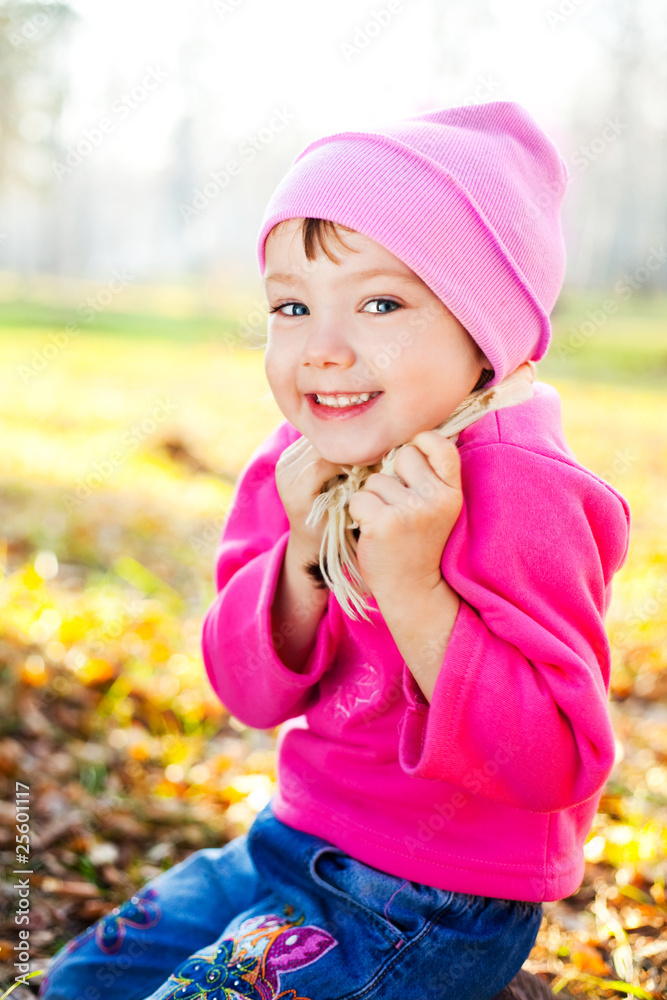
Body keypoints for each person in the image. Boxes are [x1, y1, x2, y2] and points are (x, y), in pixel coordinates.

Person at [39, 101, 631, 1000]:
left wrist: (414, 588)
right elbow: (248, 694)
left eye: (380, 303)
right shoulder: (301, 463)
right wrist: (304, 557)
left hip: (430, 898)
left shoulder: (524, 488)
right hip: (288, 840)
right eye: (291, 306)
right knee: (82, 982)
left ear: (486, 331)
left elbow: (553, 762)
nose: (321, 349)